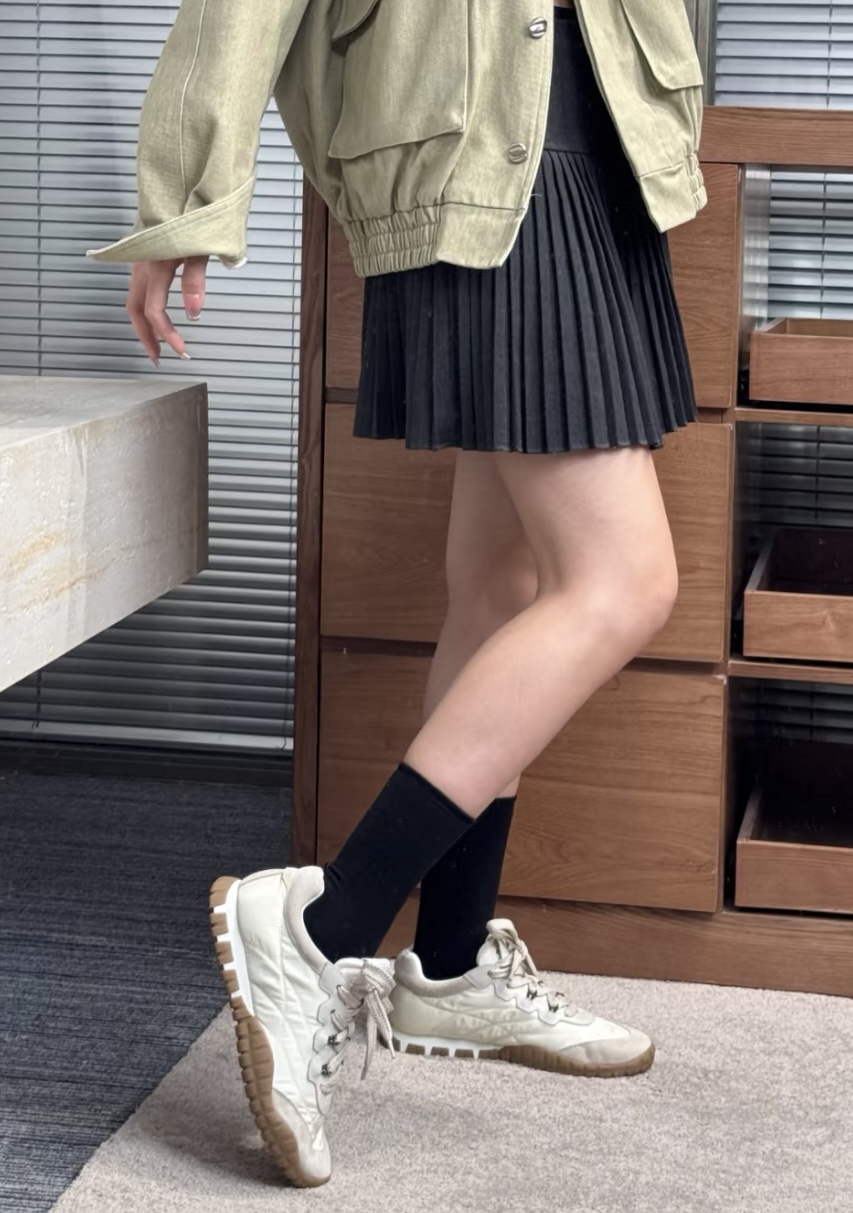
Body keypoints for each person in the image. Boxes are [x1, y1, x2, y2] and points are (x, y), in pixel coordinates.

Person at [88, 0, 706, 1190]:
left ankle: (452, 964)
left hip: (605, 145)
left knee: (502, 586)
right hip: (480, 154)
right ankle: (319, 929)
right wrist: (184, 197)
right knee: (622, 582)